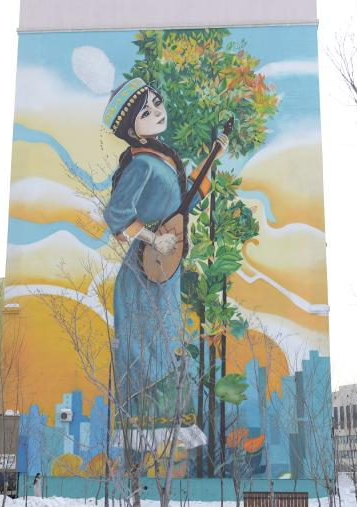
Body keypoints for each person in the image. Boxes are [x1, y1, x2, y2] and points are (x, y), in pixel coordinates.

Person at [102, 77, 227, 451]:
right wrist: (154, 238)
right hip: (143, 272)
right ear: (131, 129)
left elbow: (184, 203)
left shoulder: (165, 158)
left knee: (169, 344)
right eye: (146, 111)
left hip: (165, 272)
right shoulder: (141, 164)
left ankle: (172, 425)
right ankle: (144, 430)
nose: (157, 112)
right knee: (145, 350)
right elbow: (116, 215)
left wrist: (213, 158)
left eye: (157, 103)